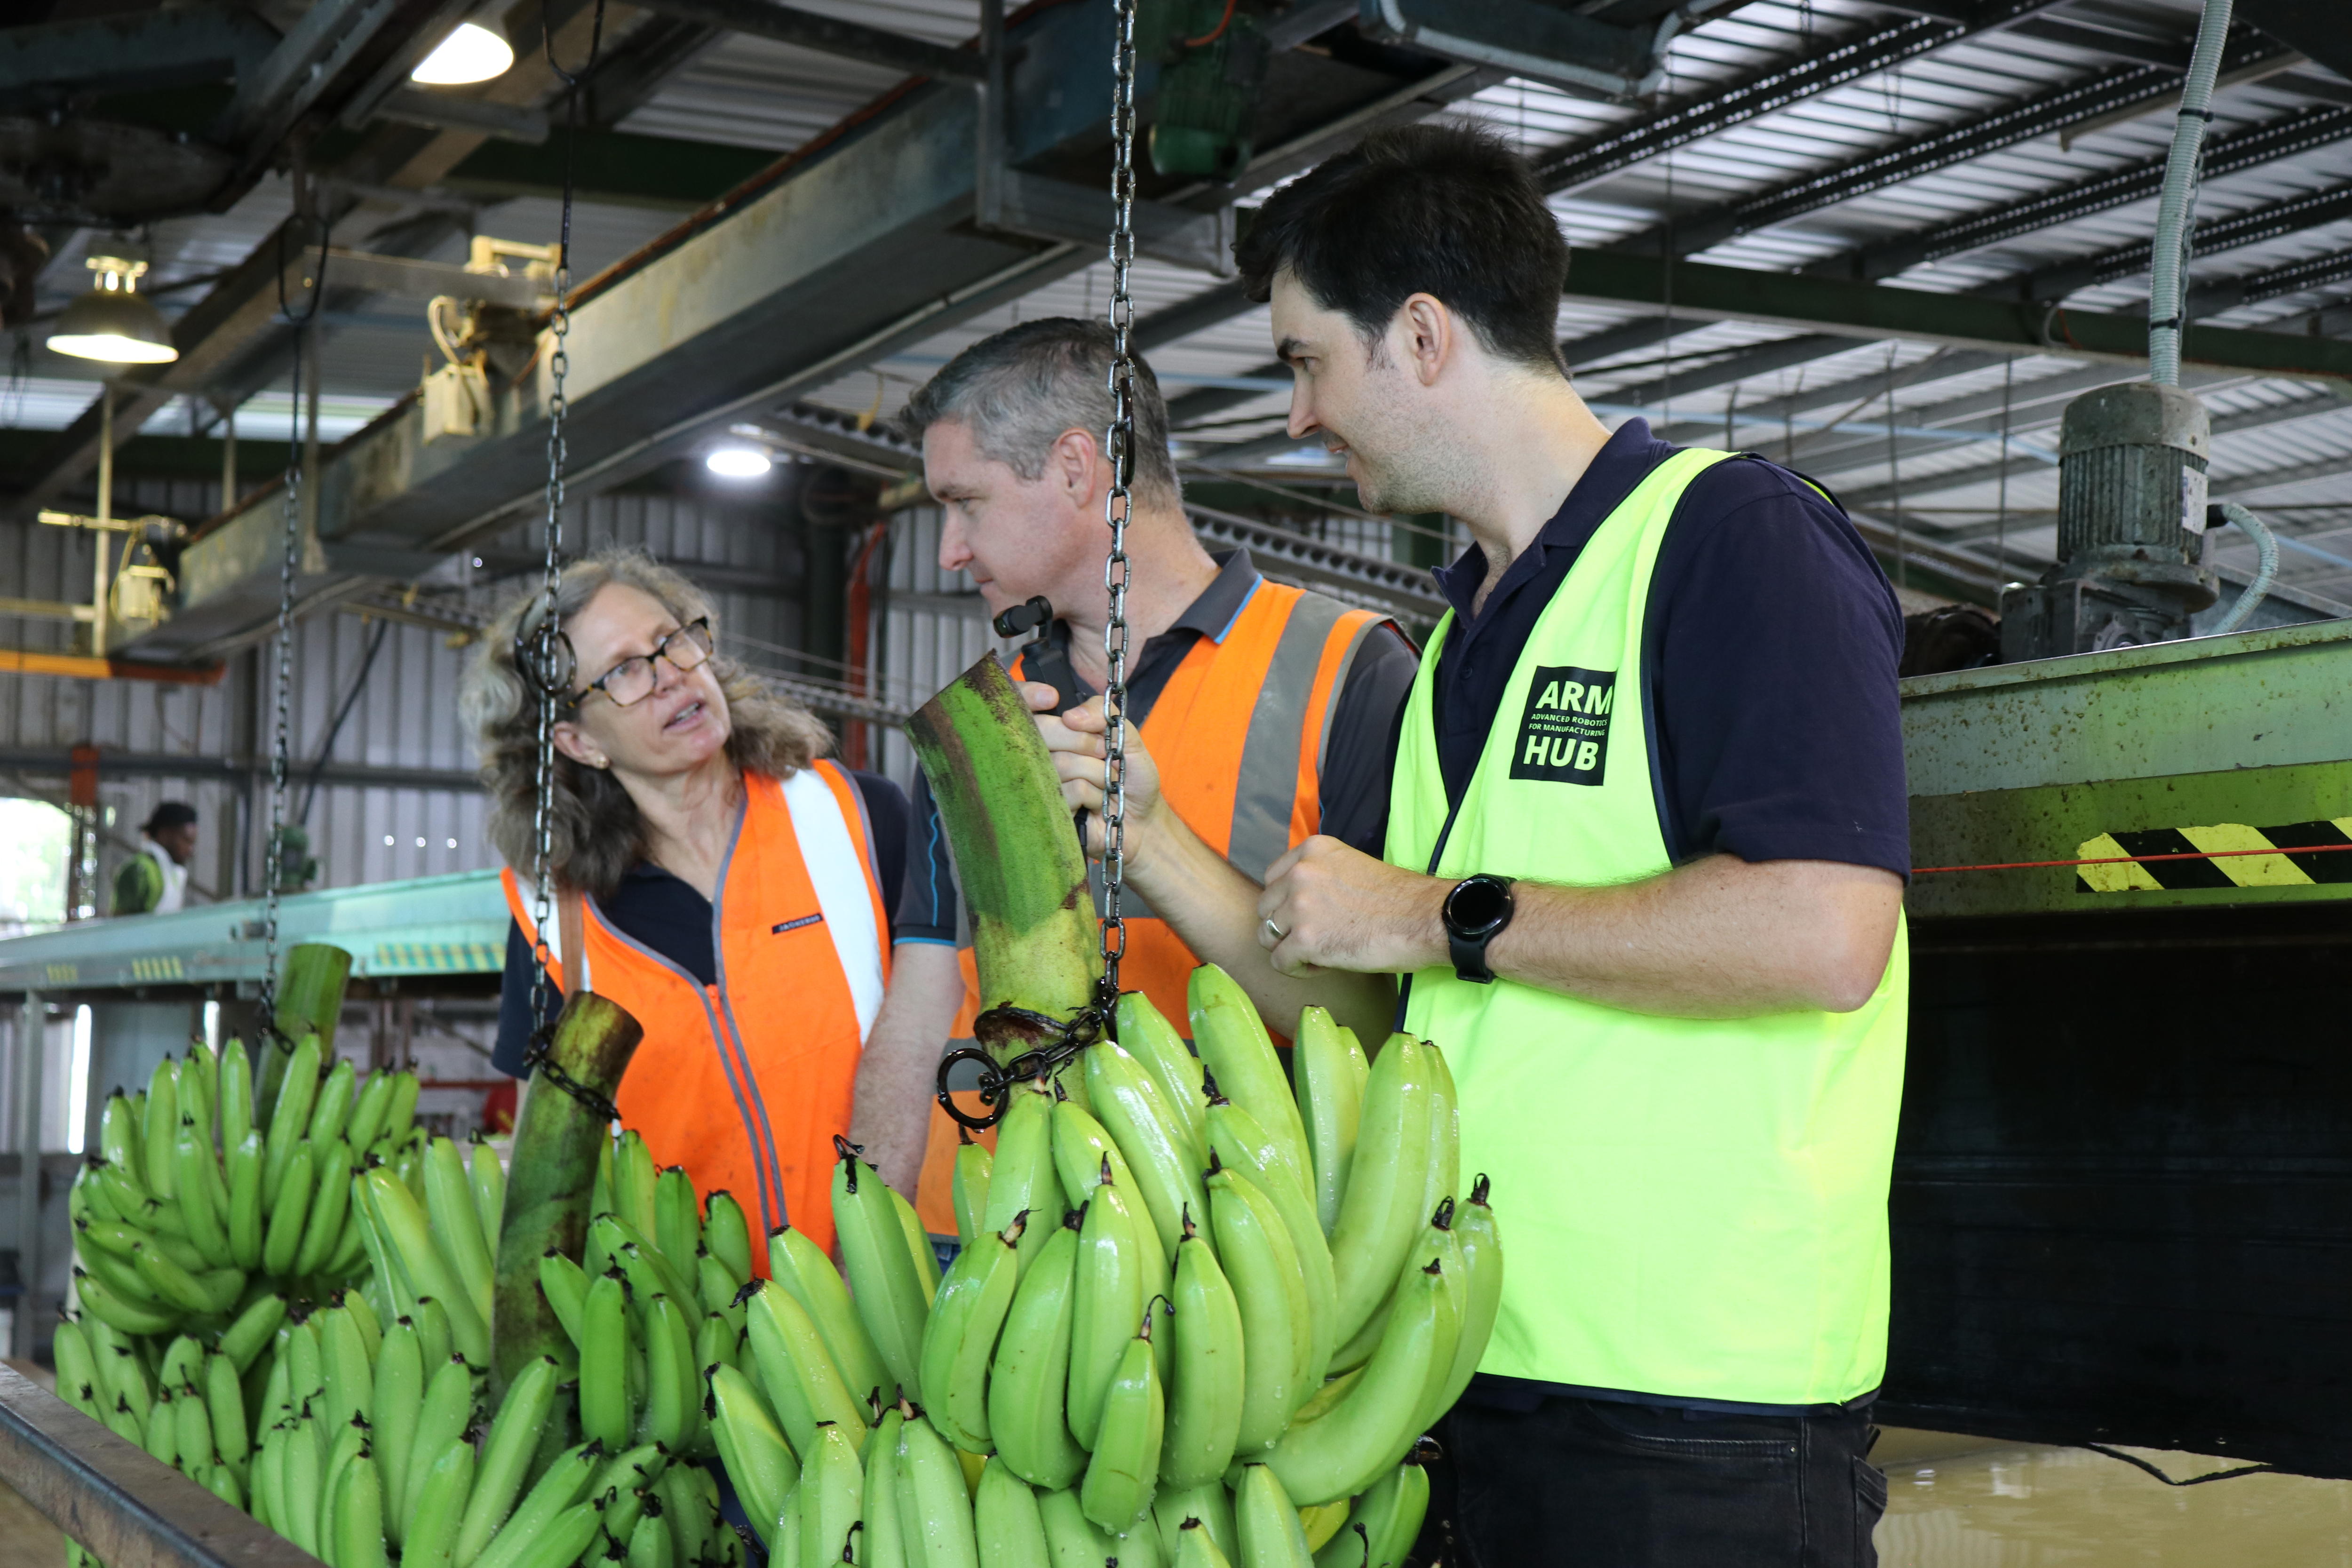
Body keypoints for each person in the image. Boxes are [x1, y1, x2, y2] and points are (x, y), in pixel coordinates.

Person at [1033, 126, 1910, 1567]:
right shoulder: (1449, 654)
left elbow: (1821, 933)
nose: (1301, 416)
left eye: (1308, 361)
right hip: (1460, 1372)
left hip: (1697, 1418)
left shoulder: (1727, 541)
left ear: (1423, 338)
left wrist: (1440, 911)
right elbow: (1389, 1009)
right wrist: (1153, 841)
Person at [848, 317, 1419, 1214]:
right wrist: (872, 1227)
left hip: (1232, 1248)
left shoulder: (1352, 670)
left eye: (967, 502)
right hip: (988, 1238)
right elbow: (923, 996)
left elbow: (1393, 1024)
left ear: (1078, 467)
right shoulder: (982, 714)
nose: (951, 549)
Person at [464, 550, 912, 1257]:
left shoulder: (855, 817)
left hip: (896, 1290)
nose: (672, 672)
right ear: (578, 742)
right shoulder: (556, 919)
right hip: (688, 1331)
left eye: (673, 640)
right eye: (624, 672)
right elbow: (548, 1161)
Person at [111, 802, 197, 915]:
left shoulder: (172, 873)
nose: (190, 851)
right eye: (186, 841)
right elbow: (123, 925)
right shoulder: (139, 870)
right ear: (165, 834)